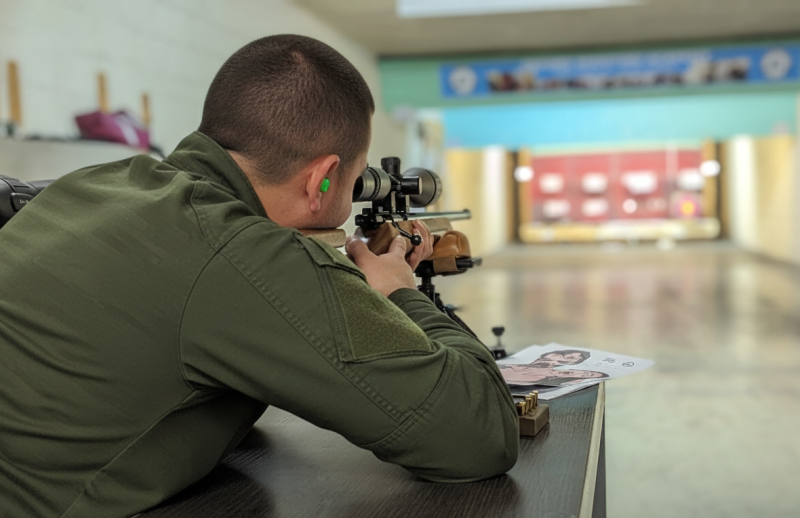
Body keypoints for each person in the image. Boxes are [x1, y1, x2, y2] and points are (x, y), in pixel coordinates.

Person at [0, 35, 519, 518]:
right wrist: (398, 292)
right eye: (353, 179)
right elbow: (478, 434)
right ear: (322, 178)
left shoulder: (100, 183)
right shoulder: (242, 251)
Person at [499, 365, 608, 386]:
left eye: (585, 375)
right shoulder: (545, 367)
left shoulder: (537, 378)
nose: (578, 372)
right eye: (583, 371)